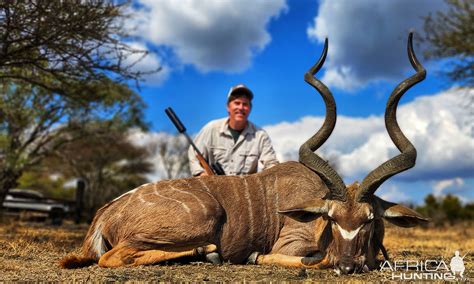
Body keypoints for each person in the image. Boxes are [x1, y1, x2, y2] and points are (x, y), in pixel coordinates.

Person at [188, 84, 279, 176]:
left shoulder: (260, 135)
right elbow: (193, 153)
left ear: (250, 109)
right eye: (237, 103)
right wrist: (201, 173)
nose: (241, 108)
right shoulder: (211, 128)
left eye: (245, 104)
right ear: (228, 107)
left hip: (247, 189)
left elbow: (271, 163)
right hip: (214, 187)